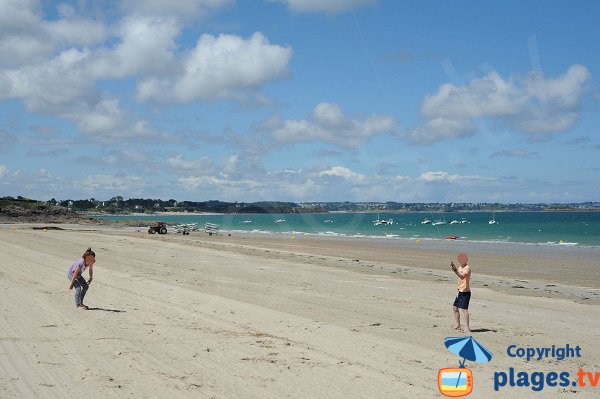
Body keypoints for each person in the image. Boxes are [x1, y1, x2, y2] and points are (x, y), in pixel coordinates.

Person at [451, 252, 471, 333]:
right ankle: (458, 324)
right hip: (459, 291)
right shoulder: (460, 267)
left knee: (464, 310)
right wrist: (456, 270)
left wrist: (455, 271)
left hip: (465, 292)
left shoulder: (467, 268)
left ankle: (467, 327)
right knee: (455, 308)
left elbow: (462, 276)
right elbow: (459, 275)